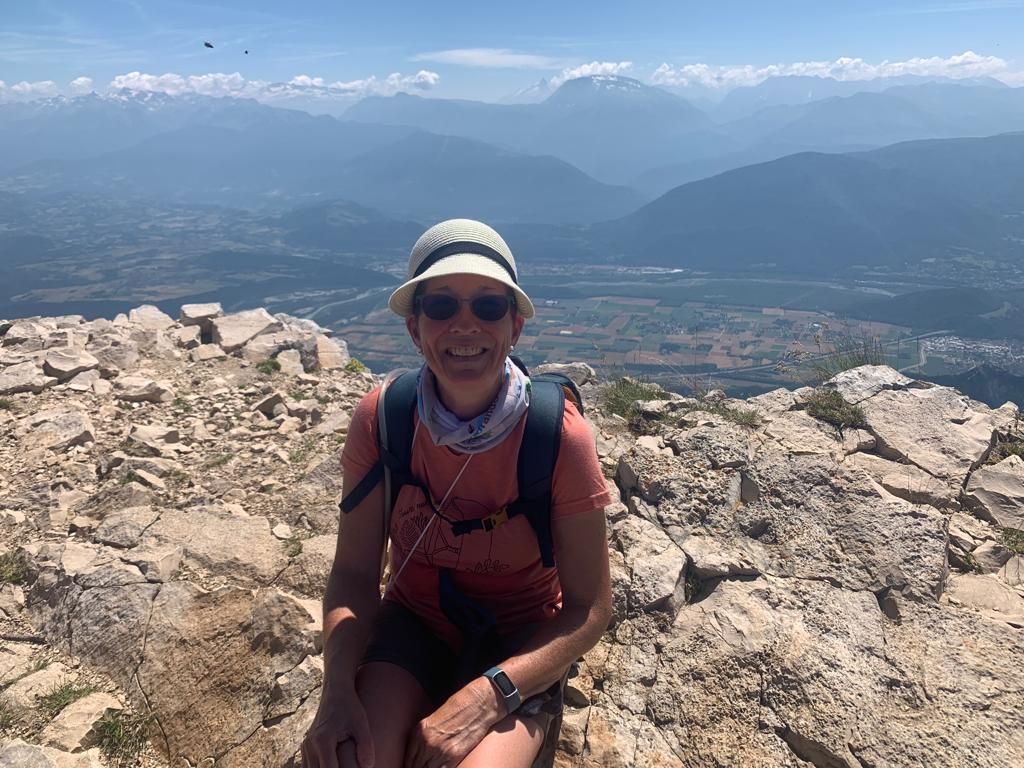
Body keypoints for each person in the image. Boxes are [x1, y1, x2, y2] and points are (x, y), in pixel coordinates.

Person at [301, 219, 612, 768]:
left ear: (515, 326)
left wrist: (489, 695)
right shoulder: (385, 419)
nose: (465, 325)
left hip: (521, 646)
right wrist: (337, 693)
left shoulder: (557, 437)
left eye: (488, 306)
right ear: (415, 328)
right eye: (442, 306)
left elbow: (589, 608)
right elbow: (353, 573)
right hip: (413, 627)